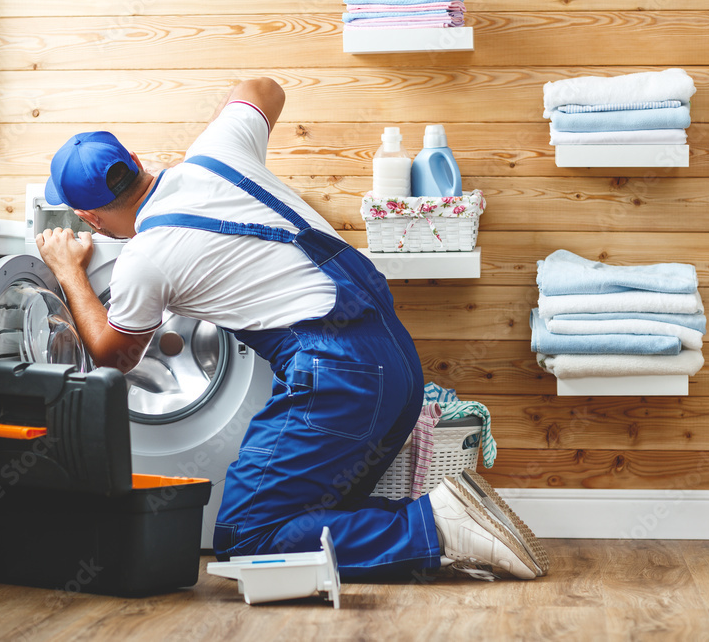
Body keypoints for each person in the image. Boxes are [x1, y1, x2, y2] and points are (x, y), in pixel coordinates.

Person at [36, 78, 548, 581]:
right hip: (395, 363)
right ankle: (445, 524)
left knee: (248, 537)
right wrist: (218, 130)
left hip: (338, 378)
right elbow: (263, 87)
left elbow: (114, 356)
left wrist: (69, 271)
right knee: (314, 512)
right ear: (138, 163)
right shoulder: (218, 148)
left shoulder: (143, 260)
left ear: (90, 221)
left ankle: (435, 527)